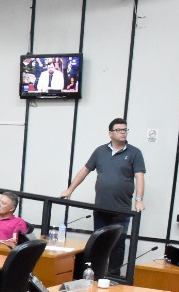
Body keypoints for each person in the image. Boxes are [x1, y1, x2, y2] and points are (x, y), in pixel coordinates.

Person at [60, 118, 145, 275]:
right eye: (119, 130)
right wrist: (70, 189)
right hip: (100, 206)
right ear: (110, 133)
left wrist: (139, 200)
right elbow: (85, 170)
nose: (123, 132)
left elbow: (139, 177)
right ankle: (94, 274)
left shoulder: (134, 152)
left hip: (122, 208)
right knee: (99, 241)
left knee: (118, 243)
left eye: (125, 130)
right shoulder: (100, 151)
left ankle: (114, 277)